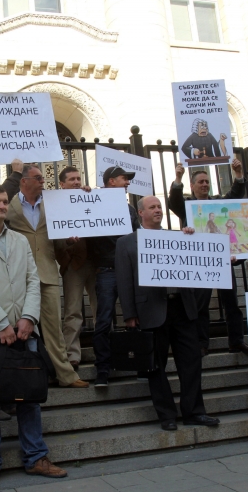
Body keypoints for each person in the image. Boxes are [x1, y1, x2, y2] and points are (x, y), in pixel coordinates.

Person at [0, 184, 68, 489]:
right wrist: (1, 323)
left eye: (4, 201)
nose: (2, 205)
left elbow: (33, 280)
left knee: (29, 396)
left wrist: (29, 317)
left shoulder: (19, 240)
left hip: (23, 332)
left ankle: (36, 457)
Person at [116, 196, 220, 430]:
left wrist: (192, 239)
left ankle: (194, 412)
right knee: (156, 365)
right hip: (150, 310)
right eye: (152, 207)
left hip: (182, 308)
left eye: (159, 207)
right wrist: (129, 314)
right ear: (140, 213)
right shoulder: (126, 243)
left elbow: (200, 262)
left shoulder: (178, 237)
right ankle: (167, 415)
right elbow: (124, 280)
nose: (157, 210)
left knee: (191, 361)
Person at [5, 164, 88, 389]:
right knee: (17, 326)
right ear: (24, 181)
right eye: (38, 178)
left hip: (47, 273)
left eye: (43, 178)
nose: (43, 181)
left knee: (53, 328)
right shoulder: (9, 206)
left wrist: (67, 241)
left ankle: (66, 375)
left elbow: (60, 232)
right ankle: (21, 376)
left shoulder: (52, 204)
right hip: (18, 274)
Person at [168, 161, 248, 355]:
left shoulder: (218, 202)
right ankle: (201, 343)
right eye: (201, 182)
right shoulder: (187, 206)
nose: (205, 184)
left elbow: (235, 196)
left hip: (223, 260)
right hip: (200, 263)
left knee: (231, 302)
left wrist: (238, 174)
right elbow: (173, 202)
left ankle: (236, 341)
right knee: (200, 304)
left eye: (207, 181)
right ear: (192, 186)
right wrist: (178, 178)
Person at [88, 166, 140, 387]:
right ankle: (103, 368)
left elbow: (138, 236)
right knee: (103, 321)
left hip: (129, 271)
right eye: (124, 178)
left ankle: (140, 362)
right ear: (111, 181)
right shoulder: (91, 202)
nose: (127, 182)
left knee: (136, 318)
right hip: (107, 270)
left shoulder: (130, 210)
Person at [53, 166, 97, 369]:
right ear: (62, 184)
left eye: (78, 178)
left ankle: (104, 348)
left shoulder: (89, 197)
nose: (77, 182)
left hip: (95, 261)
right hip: (73, 263)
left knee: (101, 308)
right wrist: (67, 243)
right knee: (72, 310)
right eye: (72, 179)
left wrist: (90, 195)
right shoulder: (56, 205)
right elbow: (54, 236)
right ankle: (72, 353)